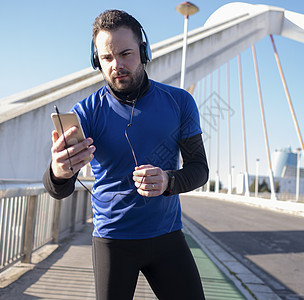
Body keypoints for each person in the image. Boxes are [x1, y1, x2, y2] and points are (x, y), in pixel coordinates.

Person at [43, 9, 208, 300]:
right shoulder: (86, 112)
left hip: (167, 237)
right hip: (112, 241)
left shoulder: (180, 102)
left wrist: (168, 181)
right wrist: (58, 171)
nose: (116, 65)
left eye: (125, 53)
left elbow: (199, 169)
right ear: (97, 60)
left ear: (144, 52)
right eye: (106, 58)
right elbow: (59, 189)